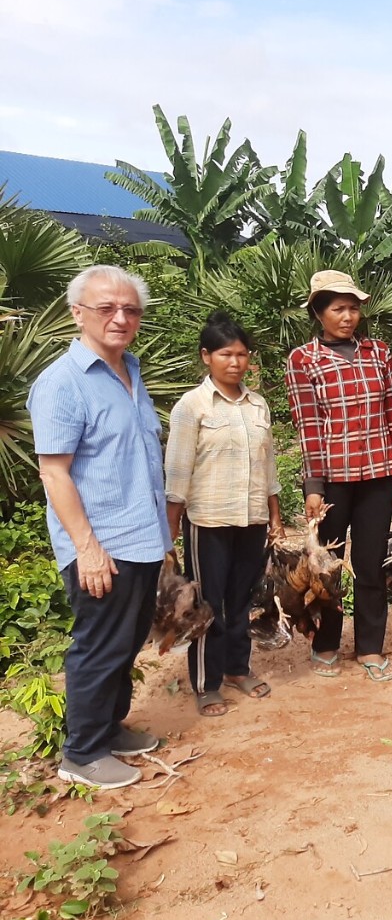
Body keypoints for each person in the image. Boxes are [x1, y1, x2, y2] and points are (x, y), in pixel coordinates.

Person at [28, 265, 169, 789]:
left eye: (130, 309)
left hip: (142, 536)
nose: (120, 317)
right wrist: (86, 547)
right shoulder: (63, 382)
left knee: (127, 640)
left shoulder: (130, 371)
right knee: (100, 643)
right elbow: (54, 472)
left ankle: (109, 728)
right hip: (102, 544)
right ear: (77, 313)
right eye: (107, 307)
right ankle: (82, 752)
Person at [285, 270, 392, 681]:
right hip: (331, 482)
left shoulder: (378, 353)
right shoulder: (303, 360)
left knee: (369, 564)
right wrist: (313, 487)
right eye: (337, 308)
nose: (347, 316)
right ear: (318, 312)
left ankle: (369, 646)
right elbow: (308, 427)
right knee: (326, 567)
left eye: (353, 308)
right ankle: (326, 643)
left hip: (377, 477)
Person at [166, 312, 283, 717]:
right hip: (209, 520)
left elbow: (268, 468)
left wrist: (275, 516)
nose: (235, 363)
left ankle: (237, 668)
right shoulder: (192, 406)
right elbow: (178, 469)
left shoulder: (257, 405)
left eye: (242, 355)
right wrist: (172, 524)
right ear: (206, 357)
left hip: (251, 519)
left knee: (242, 599)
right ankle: (205, 682)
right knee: (208, 603)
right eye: (225, 354)